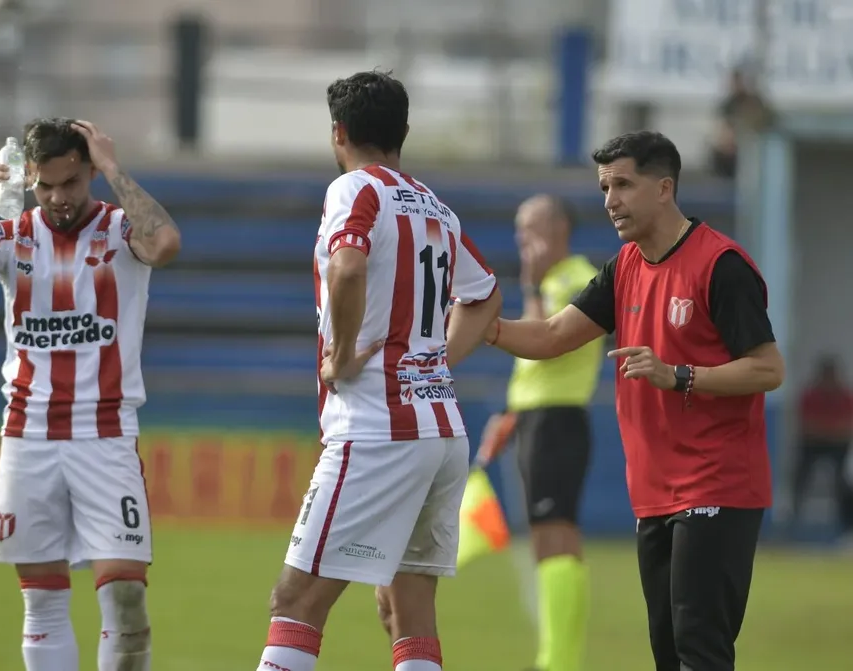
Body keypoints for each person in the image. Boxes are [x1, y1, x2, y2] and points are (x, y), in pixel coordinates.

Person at [484, 131, 785, 671]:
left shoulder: (721, 264)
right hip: (654, 493)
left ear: (665, 187)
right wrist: (479, 322)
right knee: (669, 655)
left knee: (701, 650)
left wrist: (680, 376)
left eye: (623, 184)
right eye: (604, 187)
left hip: (717, 484)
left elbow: (768, 368)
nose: (610, 201)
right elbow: (551, 336)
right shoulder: (623, 267)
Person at [254, 70, 502, 671]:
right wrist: (431, 361)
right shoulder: (436, 208)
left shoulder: (354, 189)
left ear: (338, 132)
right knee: (406, 610)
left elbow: (346, 268)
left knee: (295, 601)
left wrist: (340, 352)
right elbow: (486, 295)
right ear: (405, 132)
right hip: (442, 431)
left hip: (377, 428)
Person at [0, 117, 182, 671]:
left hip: (106, 433)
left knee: (127, 597)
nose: (59, 198)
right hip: (29, 434)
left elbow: (165, 244)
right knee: (41, 600)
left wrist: (114, 167)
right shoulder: (8, 233)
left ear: (88, 171)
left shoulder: (119, 230)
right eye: (46, 186)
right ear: (30, 179)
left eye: (71, 183)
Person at [478, 194, 603, 671]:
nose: (520, 240)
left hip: (558, 419)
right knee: (549, 537)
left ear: (556, 229)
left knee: (556, 536)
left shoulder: (574, 279)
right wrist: (510, 413)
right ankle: (557, 656)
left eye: (528, 228)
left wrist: (529, 288)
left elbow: (542, 342)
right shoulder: (555, 282)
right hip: (536, 418)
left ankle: (559, 659)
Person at [793, 355, 853, 542]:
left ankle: (846, 528)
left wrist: (826, 429)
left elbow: (847, 429)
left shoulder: (845, 396)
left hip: (838, 447)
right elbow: (806, 428)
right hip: (813, 446)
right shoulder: (810, 395)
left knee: (843, 482)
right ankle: (793, 523)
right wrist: (832, 429)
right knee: (798, 477)